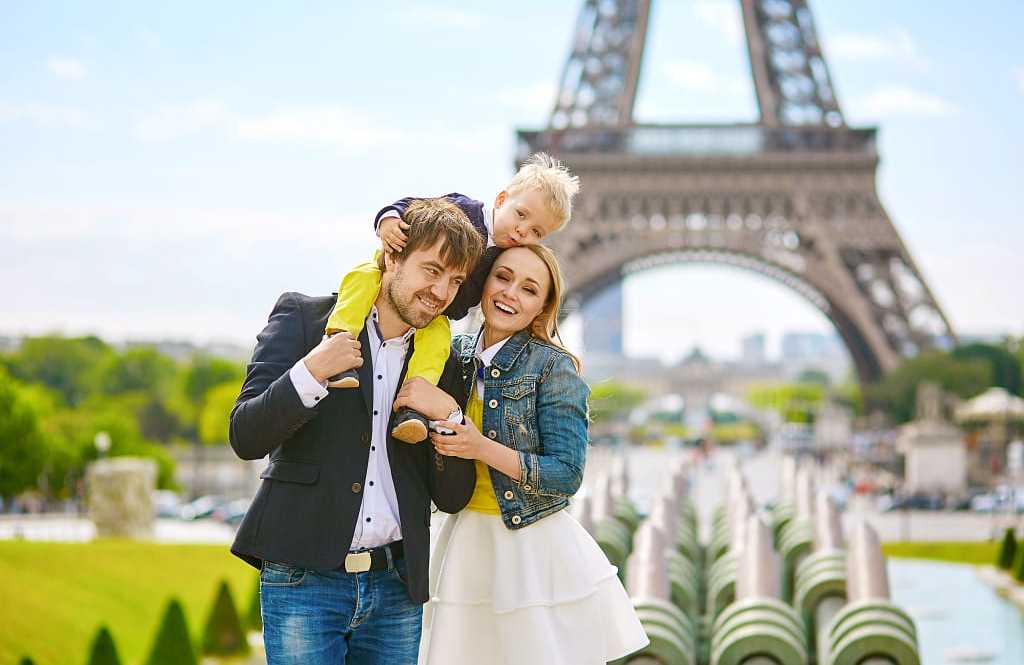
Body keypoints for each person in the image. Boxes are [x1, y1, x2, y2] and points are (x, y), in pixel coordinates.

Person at [228, 198, 484, 665]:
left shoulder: (444, 360)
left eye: (455, 281)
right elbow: (246, 435)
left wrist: (450, 418)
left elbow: (451, 495)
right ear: (392, 256)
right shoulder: (307, 320)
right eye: (432, 270)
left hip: (395, 588)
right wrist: (310, 372)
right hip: (303, 581)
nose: (442, 292)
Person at [393, 245, 650, 664]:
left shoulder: (553, 368)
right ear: (484, 281)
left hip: (528, 547)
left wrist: (480, 447)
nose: (510, 293)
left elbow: (566, 474)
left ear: (542, 308)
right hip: (461, 539)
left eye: (529, 289)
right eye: (503, 277)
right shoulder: (448, 353)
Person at [323, 153, 579, 445]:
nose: (523, 230)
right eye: (521, 214)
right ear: (500, 199)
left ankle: (412, 406)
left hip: (435, 313)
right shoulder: (465, 210)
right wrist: (389, 220)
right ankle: (339, 341)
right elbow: (415, 208)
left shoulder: (506, 258)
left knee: (436, 344)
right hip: (385, 272)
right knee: (362, 279)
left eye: (536, 232)